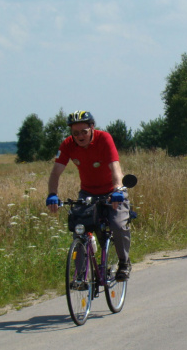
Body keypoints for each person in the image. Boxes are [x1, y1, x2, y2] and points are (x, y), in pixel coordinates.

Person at [46, 110, 132, 281]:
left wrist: (117, 190)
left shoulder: (104, 139)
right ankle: (80, 276)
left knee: (117, 224)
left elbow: (115, 167)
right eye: (75, 133)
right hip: (88, 192)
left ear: (92, 127)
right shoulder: (67, 145)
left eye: (84, 131)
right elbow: (55, 173)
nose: (79, 136)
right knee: (80, 229)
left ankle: (124, 262)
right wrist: (52, 194)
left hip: (112, 191)